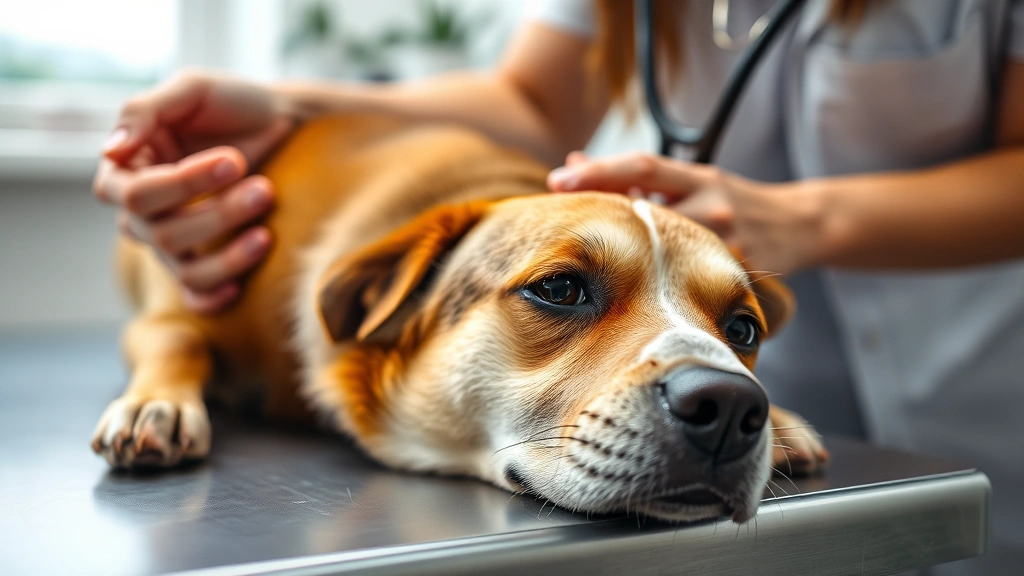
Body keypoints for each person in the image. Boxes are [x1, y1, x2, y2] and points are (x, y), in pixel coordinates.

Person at [92, 1, 1024, 573]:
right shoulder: (341, 272)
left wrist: (798, 223)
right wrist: (293, 105)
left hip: (979, 394)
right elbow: (535, 102)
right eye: (566, 293)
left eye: (738, 322)